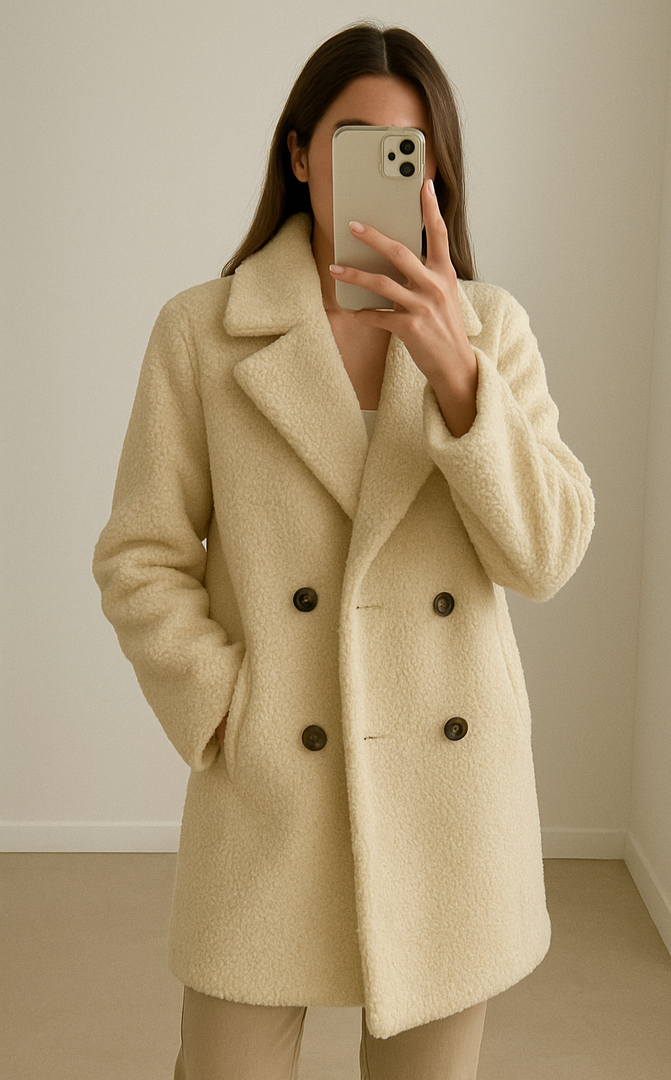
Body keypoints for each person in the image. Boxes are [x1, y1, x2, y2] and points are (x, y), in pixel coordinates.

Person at [93, 22, 594, 1080]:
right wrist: (227, 706)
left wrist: (459, 379)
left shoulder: (491, 330)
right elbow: (141, 553)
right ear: (298, 153)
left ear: (436, 173)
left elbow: (546, 554)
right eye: (356, 141)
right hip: (273, 785)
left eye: (410, 151)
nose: (385, 172)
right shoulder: (201, 332)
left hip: (448, 801)